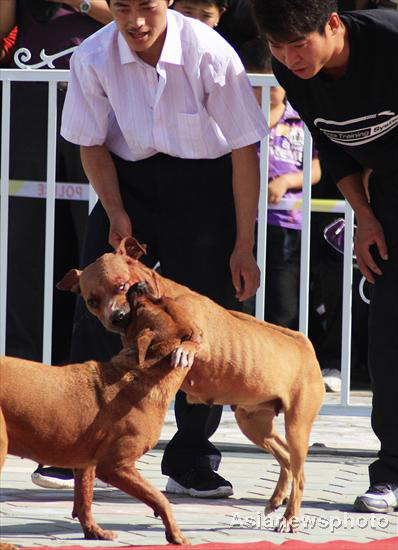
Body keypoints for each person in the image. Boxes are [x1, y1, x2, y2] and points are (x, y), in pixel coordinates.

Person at [59, 0, 267, 498]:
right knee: (96, 307)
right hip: (127, 184)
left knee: (205, 321)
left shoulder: (209, 50)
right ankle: (74, 447)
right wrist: (115, 212)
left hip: (206, 185)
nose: (135, 21)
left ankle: (192, 457)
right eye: (123, 7)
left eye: (147, 7)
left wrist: (244, 244)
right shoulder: (91, 55)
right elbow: (90, 142)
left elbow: (244, 149)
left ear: (169, 1)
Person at [252, 0, 398, 514]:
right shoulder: (290, 69)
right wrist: (366, 217)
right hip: (387, 193)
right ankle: (393, 473)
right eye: (278, 47)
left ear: (332, 23)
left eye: (299, 44)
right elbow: (333, 148)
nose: (290, 58)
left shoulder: (389, 38)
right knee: (389, 339)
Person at [0, 0, 113, 489]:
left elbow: (146, 18)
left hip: (101, 94)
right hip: (26, 98)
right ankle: (22, 408)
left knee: (92, 256)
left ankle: (84, 429)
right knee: (26, 254)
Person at [239, 38, 321, 331]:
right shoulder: (241, 121)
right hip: (247, 221)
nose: (265, 94)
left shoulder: (301, 120)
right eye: (256, 85)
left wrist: (287, 181)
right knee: (243, 299)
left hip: (288, 222)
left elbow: (317, 169)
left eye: (272, 86)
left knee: (284, 301)